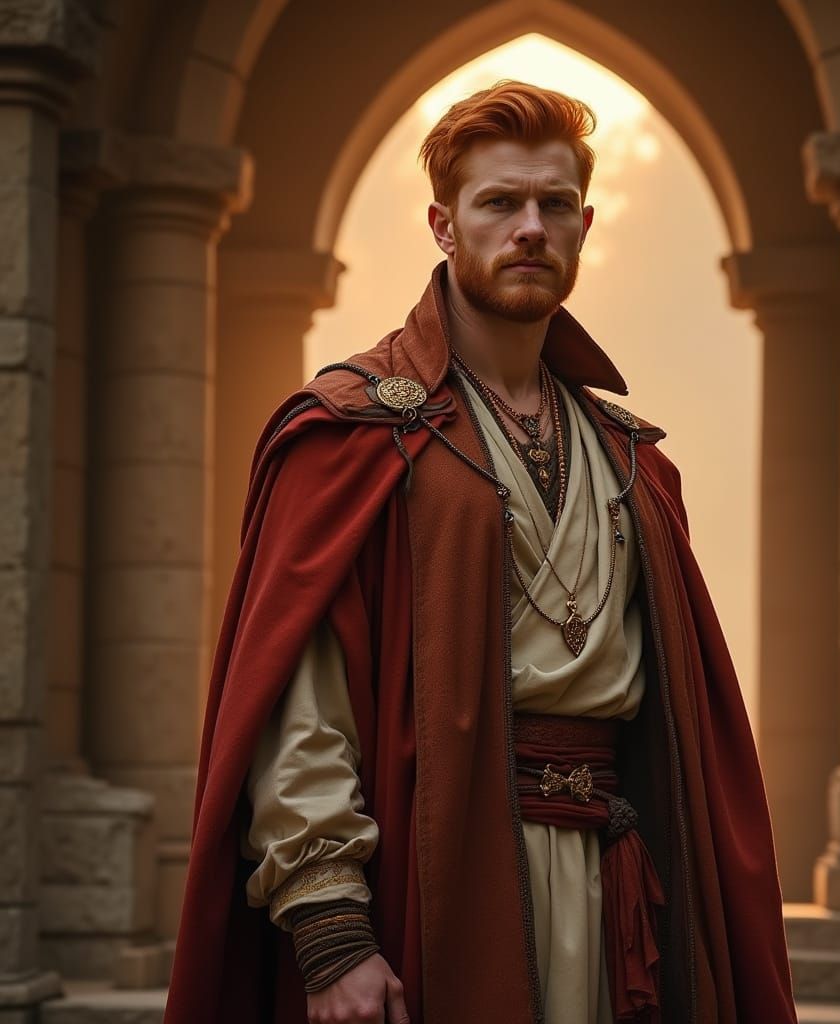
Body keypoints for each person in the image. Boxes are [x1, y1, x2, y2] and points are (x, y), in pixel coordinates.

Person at [165, 81, 798, 1024]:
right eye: (499, 203)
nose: (530, 227)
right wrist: (332, 929)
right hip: (440, 880)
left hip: (618, 880)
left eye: (554, 204)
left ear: (586, 225)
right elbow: (303, 707)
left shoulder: (634, 462)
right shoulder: (351, 434)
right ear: (443, 225)